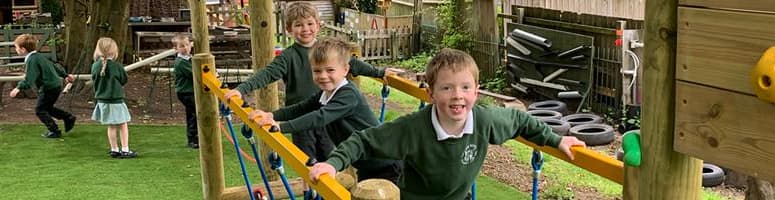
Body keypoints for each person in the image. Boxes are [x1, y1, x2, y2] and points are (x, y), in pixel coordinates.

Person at [309, 48, 587, 199]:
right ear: (430, 94)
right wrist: (332, 164)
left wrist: (557, 139)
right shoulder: (413, 128)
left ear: (476, 91)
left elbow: (520, 119)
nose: (457, 96)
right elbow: (364, 139)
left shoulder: (485, 120)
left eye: (465, 87)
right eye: (446, 88)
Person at [224, 2, 400, 160]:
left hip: (328, 117)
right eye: (298, 25)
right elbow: (267, 74)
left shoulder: (328, 50)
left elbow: (352, 63)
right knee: (307, 162)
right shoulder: (288, 56)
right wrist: (242, 89)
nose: (305, 29)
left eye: (309, 24)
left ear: (318, 26)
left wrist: (379, 72)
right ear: (289, 29)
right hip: (300, 121)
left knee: (329, 157)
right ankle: (312, 193)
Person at [249, 37, 401, 183]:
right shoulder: (325, 94)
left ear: (345, 69)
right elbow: (301, 108)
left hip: (387, 164)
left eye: (330, 70)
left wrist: (281, 127)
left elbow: (319, 117)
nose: (323, 76)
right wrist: (271, 115)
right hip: (366, 165)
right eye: (317, 71)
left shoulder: (348, 95)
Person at [9, 34, 76, 138]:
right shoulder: (39, 56)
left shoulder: (32, 60)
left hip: (48, 87)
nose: (16, 50)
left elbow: (30, 78)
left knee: (40, 110)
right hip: (55, 85)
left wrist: (18, 88)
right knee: (47, 108)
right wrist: (65, 75)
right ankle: (68, 117)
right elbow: (54, 66)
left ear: (23, 49)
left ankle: (54, 130)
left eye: (16, 47)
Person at [90, 37, 137, 159]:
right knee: (123, 124)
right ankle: (125, 149)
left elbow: (94, 79)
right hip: (116, 100)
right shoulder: (117, 67)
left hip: (102, 100)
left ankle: (114, 148)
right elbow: (124, 79)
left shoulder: (95, 66)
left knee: (111, 126)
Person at [172, 34, 199, 149]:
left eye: (187, 45)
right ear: (176, 49)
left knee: (192, 113)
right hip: (185, 92)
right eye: (182, 46)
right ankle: (192, 139)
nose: (185, 48)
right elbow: (194, 74)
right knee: (194, 114)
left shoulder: (189, 59)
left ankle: (194, 138)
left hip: (189, 91)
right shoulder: (181, 62)